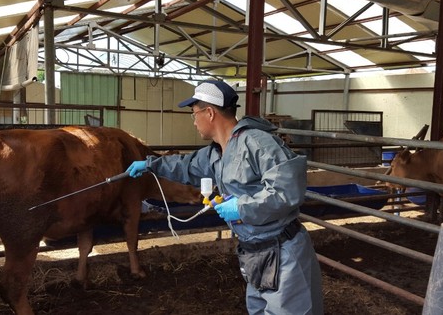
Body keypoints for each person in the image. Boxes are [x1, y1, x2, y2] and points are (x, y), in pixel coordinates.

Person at [126, 80, 323, 314]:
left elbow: (287, 191)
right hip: (255, 253)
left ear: (209, 113)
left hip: (282, 252)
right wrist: (151, 165)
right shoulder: (218, 151)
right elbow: (185, 165)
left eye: (194, 114)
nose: (194, 121)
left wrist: (241, 207)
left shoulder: (258, 143)